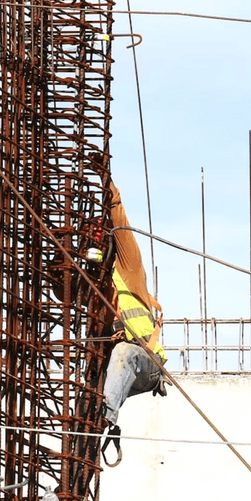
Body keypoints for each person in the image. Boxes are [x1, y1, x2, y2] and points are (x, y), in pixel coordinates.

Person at [101, 179, 169, 435]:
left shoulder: (128, 270)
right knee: (88, 389)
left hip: (146, 362)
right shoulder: (92, 289)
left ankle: (105, 416)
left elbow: (121, 225)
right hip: (115, 373)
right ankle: (92, 421)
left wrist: (107, 184)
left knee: (123, 353)